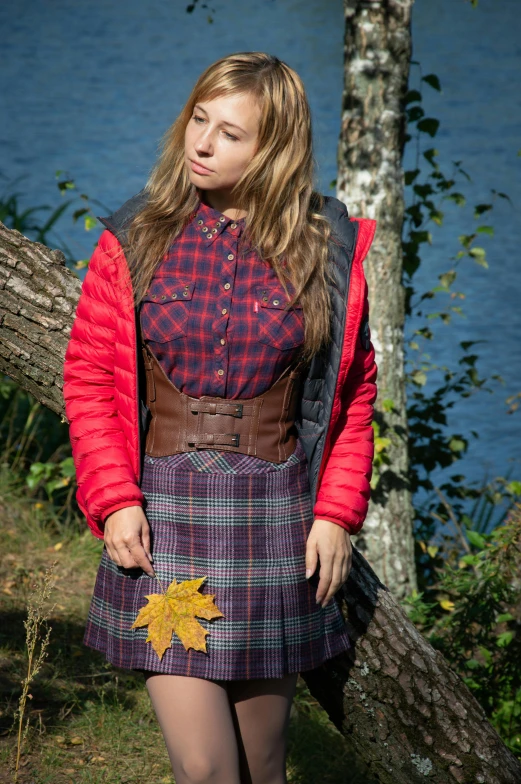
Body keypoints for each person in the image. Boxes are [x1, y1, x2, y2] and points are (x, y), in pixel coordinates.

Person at [63, 52, 377, 784]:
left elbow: (354, 393)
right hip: (162, 520)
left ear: (273, 149)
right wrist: (113, 501)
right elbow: (86, 377)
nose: (201, 143)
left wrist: (334, 513)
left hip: (275, 522)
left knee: (263, 768)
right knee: (206, 770)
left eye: (229, 133)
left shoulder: (325, 246)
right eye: (199, 120)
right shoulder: (135, 237)